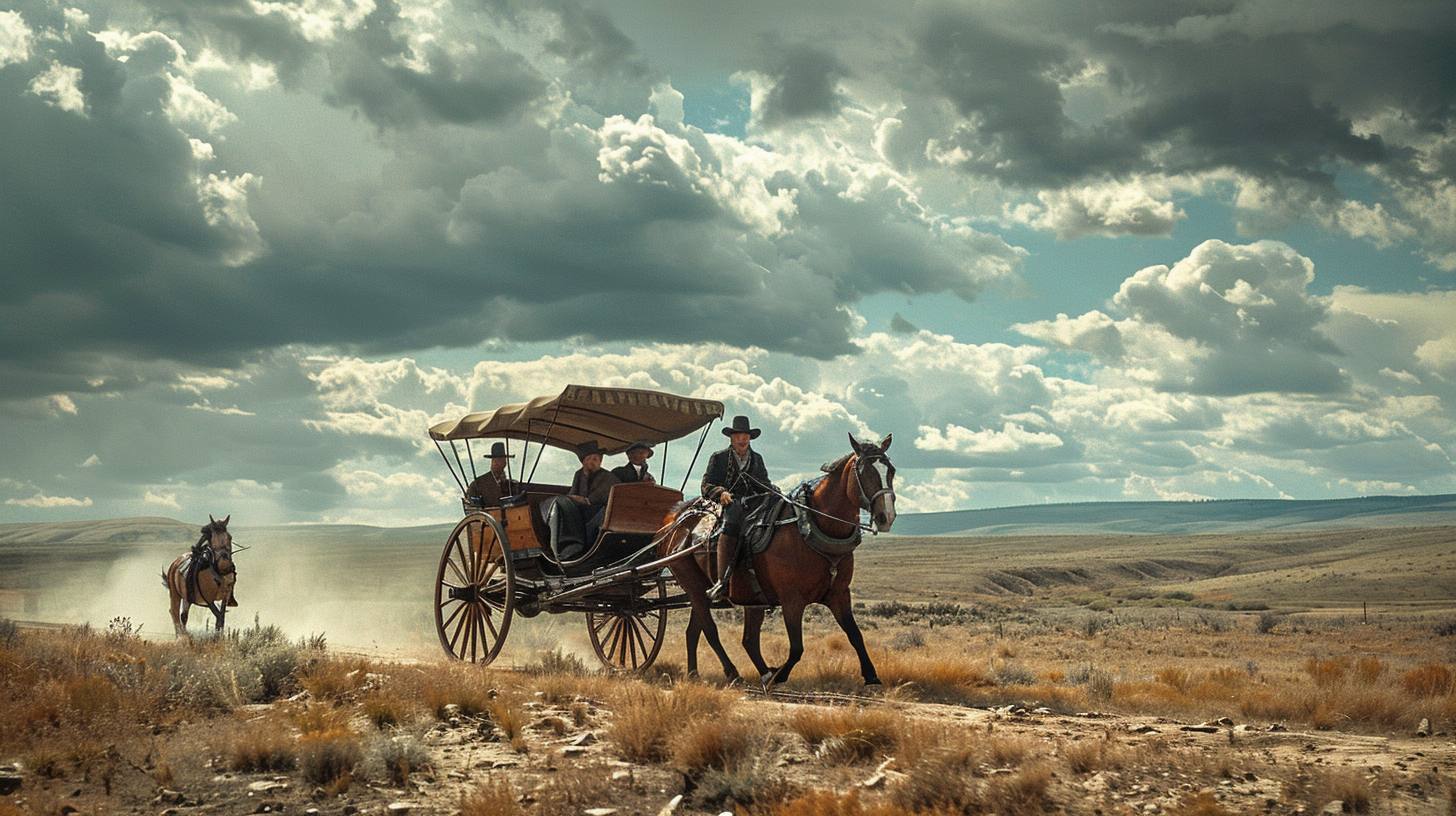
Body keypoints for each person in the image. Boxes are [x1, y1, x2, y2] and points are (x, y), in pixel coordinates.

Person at [700, 415, 776, 601]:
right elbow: (706, 484)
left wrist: (773, 492)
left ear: (750, 438)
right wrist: (721, 493)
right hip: (729, 504)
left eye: (745, 436)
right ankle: (722, 580)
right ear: (732, 438)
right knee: (733, 519)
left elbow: (764, 483)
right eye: (738, 436)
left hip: (754, 503)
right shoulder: (719, 457)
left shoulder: (757, 458)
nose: (742, 440)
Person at [544, 440, 620, 562]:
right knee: (562, 507)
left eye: (596, 458)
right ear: (583, 461)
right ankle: (566, 550)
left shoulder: (608, 477)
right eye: (590, 458)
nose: (594, 462)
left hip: (599, 513)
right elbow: (572, 494)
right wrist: (572, 499)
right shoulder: (579, 475)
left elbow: (605, 498)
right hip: (581, 512)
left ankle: (576, 548)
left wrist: (586, 501)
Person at [465, 442, 516, 508]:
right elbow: (469, 506)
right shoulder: (478, 484)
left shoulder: (511, 484)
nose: (500, 464)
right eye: (497, 461)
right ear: (493, 462)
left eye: (503, 461)